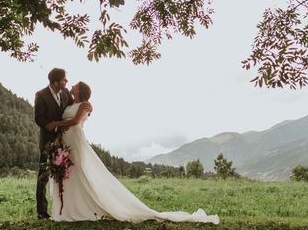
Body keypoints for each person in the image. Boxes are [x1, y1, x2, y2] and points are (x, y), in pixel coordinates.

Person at [47, 81, 220, 224]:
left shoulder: (85, 105)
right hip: (65, 141)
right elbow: (67, 114)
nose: (72, 87)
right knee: (71, 175)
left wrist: (56, 123)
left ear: (81, 90)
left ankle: (91, 205)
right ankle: (70, 208)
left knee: (83, 173)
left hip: (76, 141)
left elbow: (76, 121)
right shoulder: (70, 102)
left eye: (75, 86)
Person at [33, 68, 91, 219]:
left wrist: (89, 107)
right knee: (44, 174)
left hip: (66, 141)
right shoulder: (40, 95)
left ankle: (68, 207)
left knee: (66, 174)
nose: (67, 82)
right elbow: (39, 119)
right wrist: (55, 126)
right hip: (48, 141)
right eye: (64, 80)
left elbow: (77, 106)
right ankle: (42, 211)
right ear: (56, 81)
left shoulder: (66, 94)